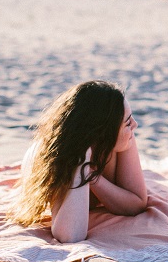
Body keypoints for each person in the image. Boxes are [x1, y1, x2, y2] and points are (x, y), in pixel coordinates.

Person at [8, 80, 147, 243]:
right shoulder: (61, 155)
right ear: (102, 133)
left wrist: (93, 177)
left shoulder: (122, 137)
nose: (135, 125)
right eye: (128, 122)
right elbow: (69, 235)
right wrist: (82, 160)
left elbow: (136, 204)